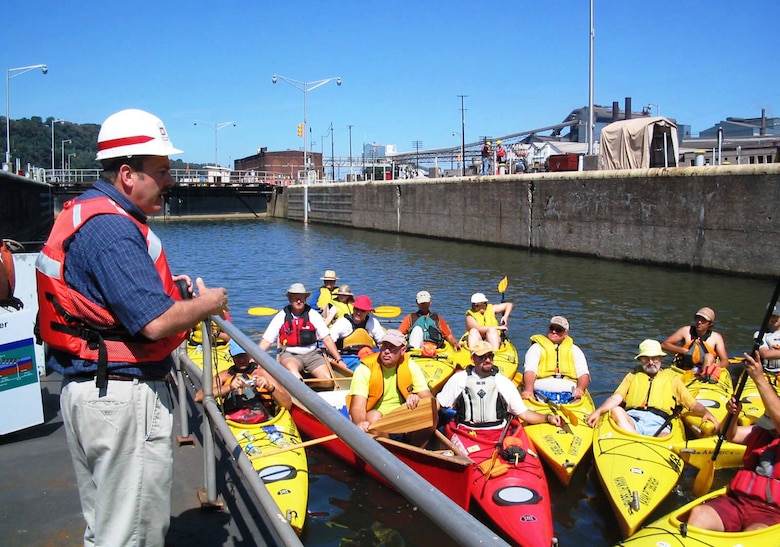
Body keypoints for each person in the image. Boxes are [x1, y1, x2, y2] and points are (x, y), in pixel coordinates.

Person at [35, 108, 228, 546]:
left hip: (91, 389)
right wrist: (206, 304)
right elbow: (156, 322)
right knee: (131, 534)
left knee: (106, 526)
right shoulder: (111, 231)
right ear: (127, 174)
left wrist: (169, 293)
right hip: (121, 400)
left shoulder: (88, 214)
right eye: (161, 171)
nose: (171, 180)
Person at [687, 351, 780, 532]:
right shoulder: (761, 433)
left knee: (754, 532)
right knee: (699, 515)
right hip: (737, 502)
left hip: (770, 513)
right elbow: (730, 435)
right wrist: (733, 414)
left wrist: (759, 378)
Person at [586, 339, 719, 435]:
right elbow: (617, 397)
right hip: (633, 420)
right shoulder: (632, 376)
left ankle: (636, 440)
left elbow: (692, 404)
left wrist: (707, 413)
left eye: (655, 358)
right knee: (616, 410)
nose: (650, 362)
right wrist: (598, 411)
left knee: (664, 436)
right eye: (645, 359)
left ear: (661, 359)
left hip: (660, 424)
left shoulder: (672, 378)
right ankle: (635, 438)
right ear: (640, 360)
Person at [437, 340, 561, 431]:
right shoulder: (459, 379)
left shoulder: (504, 383)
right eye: (482, 357)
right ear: (473, 358)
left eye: (490, 356)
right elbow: (438, 403)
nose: (487, 360)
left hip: (497, 433)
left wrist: (547, 417)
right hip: (465, 431)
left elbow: (524, 414)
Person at [347, 329, 435, 447]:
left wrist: (417, 399)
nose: (387, 351)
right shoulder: (364, 369)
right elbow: (357, 407)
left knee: (430, 414)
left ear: (403, 350)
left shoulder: (410, 366)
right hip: (377, 425)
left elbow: (432, 403)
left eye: (392, 348)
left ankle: (414, 452)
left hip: (403, 422)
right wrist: (360, 423)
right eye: (384, 347)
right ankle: (391, 453)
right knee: (374, 417)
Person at [259, 283, 344, 385]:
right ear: (290, 299)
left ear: (305, 299)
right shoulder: (281, 316)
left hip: (312, 355)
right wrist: (253, 359)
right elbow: (267, 341)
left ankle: (307, 387)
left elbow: (327, 339)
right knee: (293, 370)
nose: (299, 301)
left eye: (301, 298)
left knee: (328, 381)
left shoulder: (313, 315)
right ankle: (299, 385)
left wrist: (339, 360)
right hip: (290, 355)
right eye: (296, 298)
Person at [194, 339, 291, 422]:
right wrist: (229, 387)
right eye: (238, 356)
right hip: (234, 421)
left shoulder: (262, 374)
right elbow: (198, 396)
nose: (241, 360)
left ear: (249, 355)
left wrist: (269, 387)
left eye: (244, 355)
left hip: (264, 420)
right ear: (232, 356)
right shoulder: (225, 375)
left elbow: (287, 404)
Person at [520, 316, 590, 404]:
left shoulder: (575, 350)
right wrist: (529, 390)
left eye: (558, 330)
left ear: (566, 334)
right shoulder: (536, 348)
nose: (554, 331)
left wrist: (580, 389)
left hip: (570, 394)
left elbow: (583, 374)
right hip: (540, 392)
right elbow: (530, 371)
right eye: (552, 328)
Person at [662, 307, 729, 375]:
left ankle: (704, 376)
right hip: (684, 368)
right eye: (698, 318)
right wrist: (683, 351)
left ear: (710, 324)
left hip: (705, 368)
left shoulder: (716, 337)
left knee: (709, 356)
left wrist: (715, 366)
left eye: (703, 320)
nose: (699, 322)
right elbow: (664, 345)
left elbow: (725, 361)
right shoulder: (685, 331)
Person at [757, 304, 780, 375]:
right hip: (767, 373)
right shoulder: (760, 334)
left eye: (776, 316)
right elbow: (765, 354)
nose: (773, 318)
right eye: (770, 316)